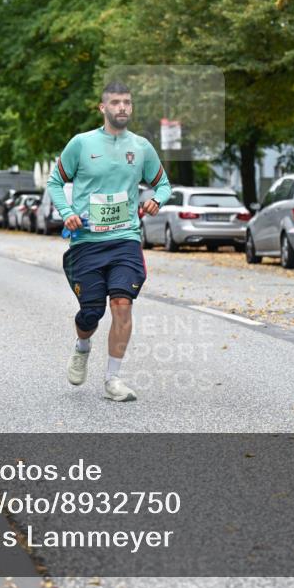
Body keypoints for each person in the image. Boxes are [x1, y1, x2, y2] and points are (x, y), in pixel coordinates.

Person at [46, 81, 171, 402]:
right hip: (86, 242)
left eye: (127, 102)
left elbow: (164, 184)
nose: (122, 107)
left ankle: (113, 379)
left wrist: (157, 200)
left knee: (122, 304)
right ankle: (82, 345)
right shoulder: (81, 144)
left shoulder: (141, 147)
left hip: (124, 239)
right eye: (115, 102)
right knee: (91, 313)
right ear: (103, 108)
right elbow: (55, 181)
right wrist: (67, 212)